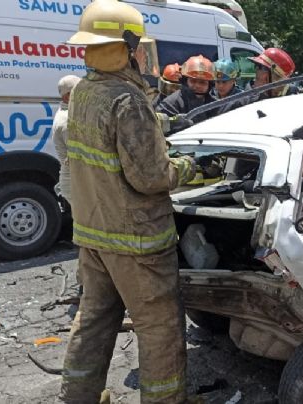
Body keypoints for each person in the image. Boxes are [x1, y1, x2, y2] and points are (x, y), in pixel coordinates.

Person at [60, 1, 196, 403]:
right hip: (136, 241)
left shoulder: (83, 93)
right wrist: (185, 168)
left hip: (93, 235)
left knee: (95, 321)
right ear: (126, 45)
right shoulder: (128, 102)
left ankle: (77, 396)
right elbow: (151, 177)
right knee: (160, 329)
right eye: (138, 47)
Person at [157, 54, 217, 121]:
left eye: (202, 82)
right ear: (185, 81)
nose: (197, 86)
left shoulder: (215, 104)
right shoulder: (170, 104)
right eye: (193, 81)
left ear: (210, 85)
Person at [52, 74, 81, 206]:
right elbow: (79, 155)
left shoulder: (72, 114)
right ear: (68, 96)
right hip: (77, 185)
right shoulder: (67, 121)